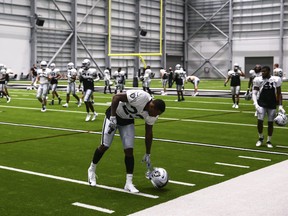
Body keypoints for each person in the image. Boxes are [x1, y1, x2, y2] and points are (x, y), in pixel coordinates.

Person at [87, 89, 166, 193]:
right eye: (156, 113)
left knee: (129, 150)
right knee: (105, 145)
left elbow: (148, 133)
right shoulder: (141, 96)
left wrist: (148, 153)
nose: (155, 116)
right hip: (114, 114)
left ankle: (128, 183)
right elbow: (116, 97)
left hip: (127, 121)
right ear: (152, 106)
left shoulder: (152, 115)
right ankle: (91, 170)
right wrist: (113, 117)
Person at [252, 66, 285, 148]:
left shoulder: (276, 79)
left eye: (264, 71)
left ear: (269, 72)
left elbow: (279, 93)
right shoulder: (258, 79)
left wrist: (280, 106)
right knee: (260, 121)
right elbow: (254, 93)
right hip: (262, 103)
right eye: (262, 71)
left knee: (270, 123)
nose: (262, 73)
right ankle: (260, 137)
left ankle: (269, 140)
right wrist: (256, 104)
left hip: (272, 104)